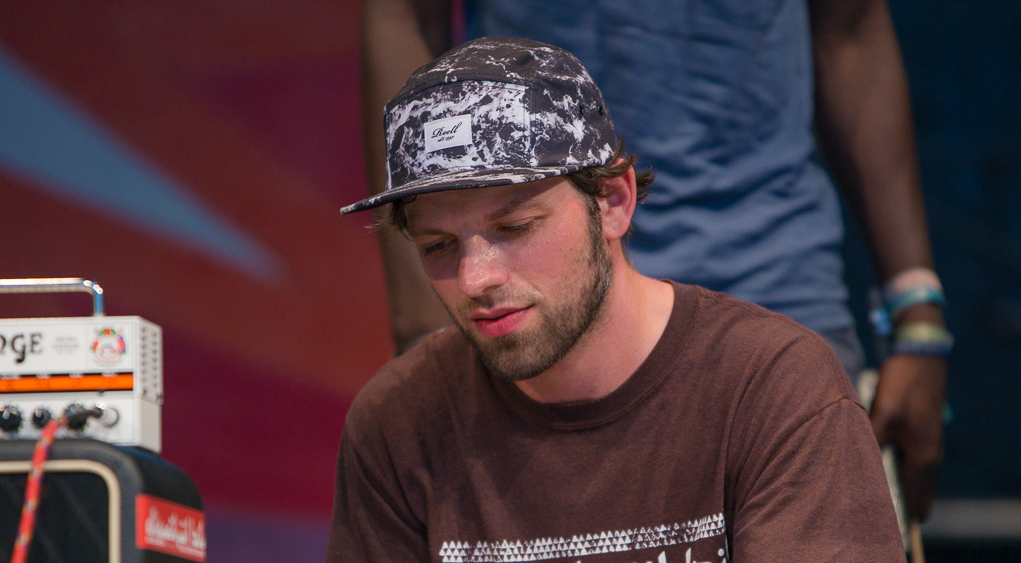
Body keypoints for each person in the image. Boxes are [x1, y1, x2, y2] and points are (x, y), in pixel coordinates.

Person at [204, 39, 917, 563]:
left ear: (612, 202)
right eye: (440, 245)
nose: (477, 278)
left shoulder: (772, 377)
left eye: (514, 227)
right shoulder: (399, 416)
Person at [359, 0, 949, 530]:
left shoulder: (792, 362)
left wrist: (917, 310)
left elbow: (851, 29)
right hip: (543, 304)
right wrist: (427, 338)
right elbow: (403, 15)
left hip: (772, 273)